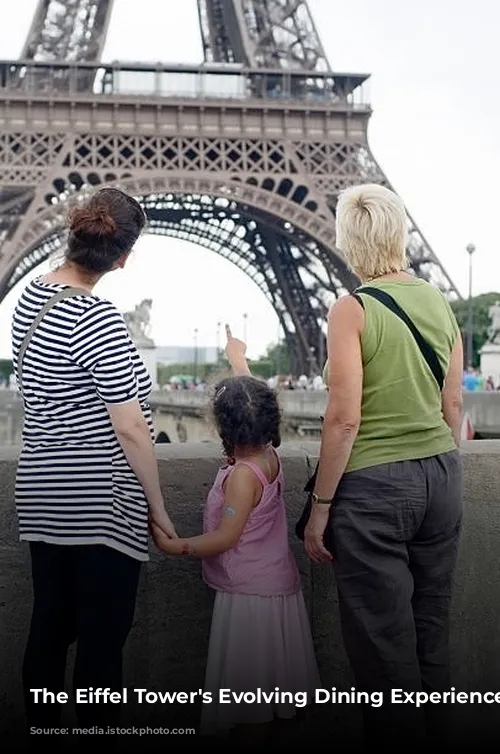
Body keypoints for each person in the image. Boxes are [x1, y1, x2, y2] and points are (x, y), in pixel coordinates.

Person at [11, 187, 177, 751]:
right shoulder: (99, 316)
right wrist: (158, 510)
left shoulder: (31, 299)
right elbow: (131, 428)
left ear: (73, 232)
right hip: (100, 501)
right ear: (123, 257)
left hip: (42, 491)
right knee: (103, 647)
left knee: (48, 631)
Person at [303, 184, 463, 747]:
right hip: (441, 475)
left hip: (374, 489)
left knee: (383, 646)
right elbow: (453, 405)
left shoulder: (352, 308)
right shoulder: (439, 301)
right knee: (431, 633)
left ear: (349, 241)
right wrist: (437, 469)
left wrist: (320, 508)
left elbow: (344, 420)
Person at [152, 325, 320, 742]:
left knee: (251, 709)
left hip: (250, 598)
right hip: (275, 586)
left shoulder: (242, 477)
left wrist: (177, 546)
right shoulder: (269, 455)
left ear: (223, 426)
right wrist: (238, 360)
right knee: (266, 700)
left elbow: (226, 537)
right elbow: (256, 400)